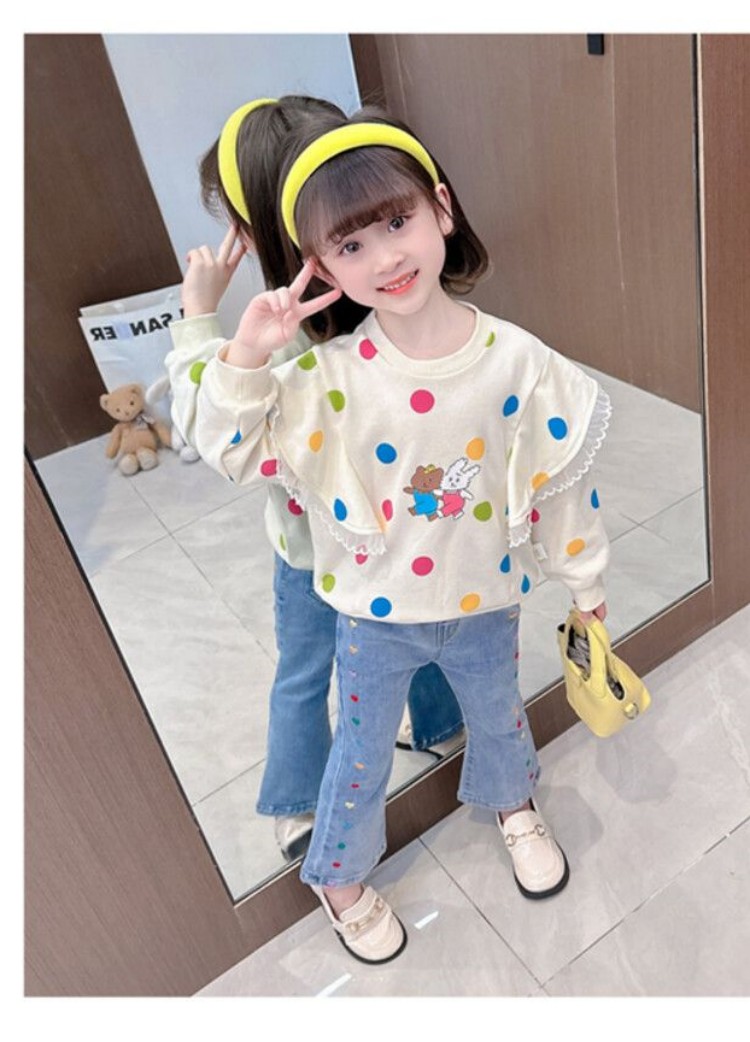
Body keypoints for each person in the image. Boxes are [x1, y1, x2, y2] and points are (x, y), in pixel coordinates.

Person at [166, 106, 611, 964]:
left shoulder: (520, 359)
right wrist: (246, 352)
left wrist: (586, 586)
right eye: (351, 245)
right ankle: (338, 880)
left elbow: (561, 485)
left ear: (441, 208)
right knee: (362, 755)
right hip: (373, 617)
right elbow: (228, 448)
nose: (385, 259)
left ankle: (516, 809)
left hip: (486, 600)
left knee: (501, 719)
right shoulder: (322, 378)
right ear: (319, 264)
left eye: (398, 222)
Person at [172, 97, 465, 863]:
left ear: (252, 231)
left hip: (313, 554)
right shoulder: (395, 304)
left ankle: (300, 801)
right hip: (400, 540)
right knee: (419, 629)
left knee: (307, 669)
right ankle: (440, 726)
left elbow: (211, 431)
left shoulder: (271, 345)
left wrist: (199, 318)